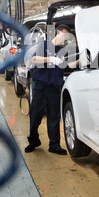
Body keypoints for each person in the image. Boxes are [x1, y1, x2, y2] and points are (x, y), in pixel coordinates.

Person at [25, 24, 77, 155]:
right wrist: (51, 59)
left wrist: (81, 60)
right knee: (35, 116)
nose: (65, 40)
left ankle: (54, 145)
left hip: (54, 88)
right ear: (57, 32)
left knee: (54, 118)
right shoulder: (44, 44)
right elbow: (35, 59)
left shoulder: (64, 50)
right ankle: (33, 141)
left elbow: (69, 64)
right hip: (40, 86)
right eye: (65, 36)